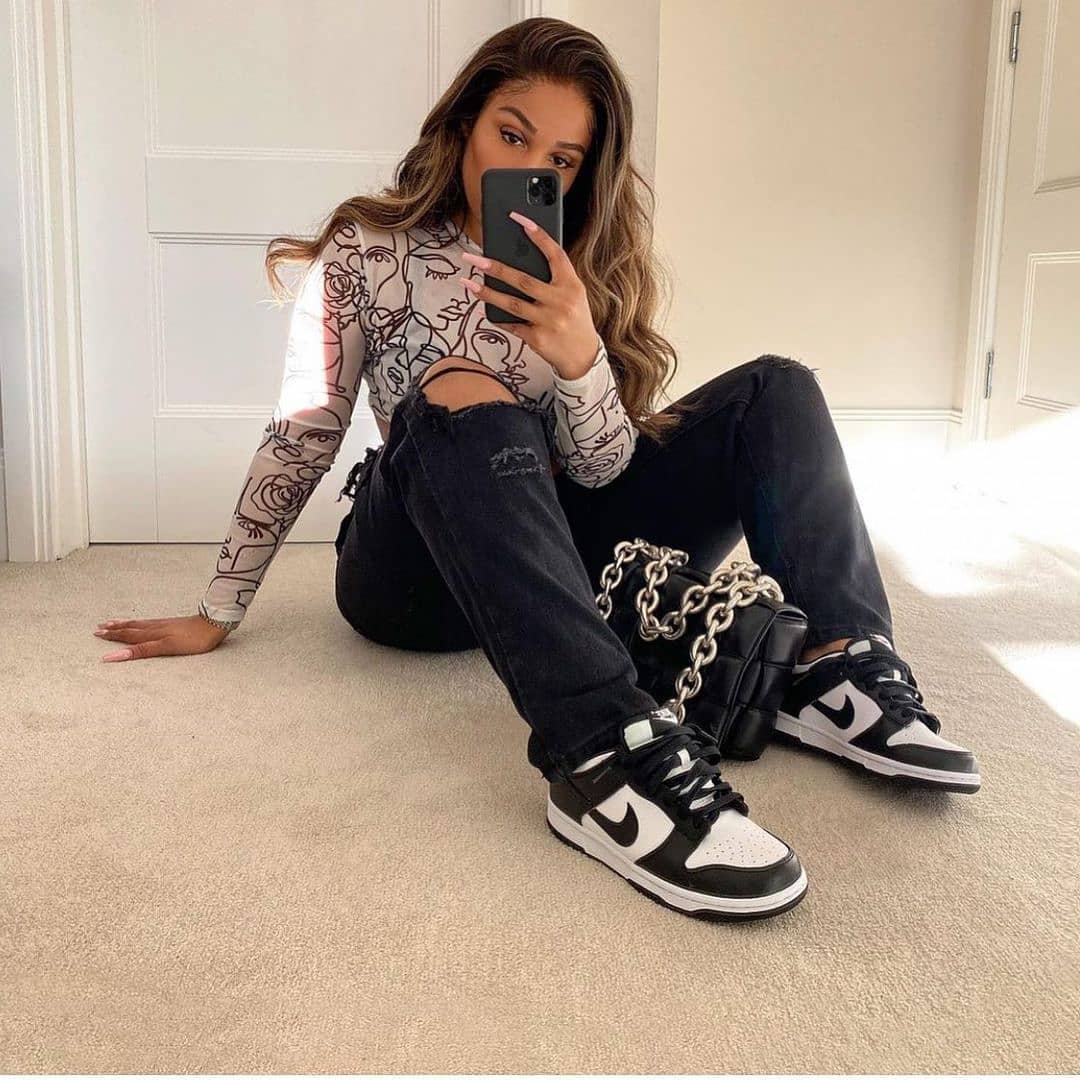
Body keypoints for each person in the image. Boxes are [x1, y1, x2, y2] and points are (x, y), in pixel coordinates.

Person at [93, 17, 979, 922]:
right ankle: (603, 752)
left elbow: (602, 471)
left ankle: (838, 665)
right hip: (411, 575)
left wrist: (581, 354)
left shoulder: (578, 265)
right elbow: (304, 432)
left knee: (775, 389)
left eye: (561, 158)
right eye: (511, 135)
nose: (530, 167)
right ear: (464, 125)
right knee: (462, 380)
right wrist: (218, 608)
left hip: (552, 543)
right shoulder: (367, 249)